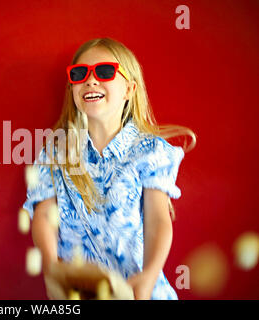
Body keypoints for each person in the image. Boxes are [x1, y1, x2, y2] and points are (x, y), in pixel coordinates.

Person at [22, 37, 196, 300]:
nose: (90, 80)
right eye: (80, 74)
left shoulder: (151, 152)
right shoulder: (56, 152)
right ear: (72, 89)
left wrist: (149, 274)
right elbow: (44, 214)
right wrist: (50, 266)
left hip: (140, 290)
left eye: (104, 72)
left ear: (129, 89)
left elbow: (157, 220)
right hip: (82, 293)